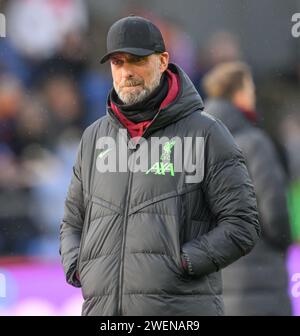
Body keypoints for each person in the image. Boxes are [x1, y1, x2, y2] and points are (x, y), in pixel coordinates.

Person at [59, 15, 260, 316]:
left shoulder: (207, 133)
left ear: (164, 60)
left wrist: (182, 262)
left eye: (137, 60)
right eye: (118, 62)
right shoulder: (93, 139)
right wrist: (78, 267)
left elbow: (242, 224)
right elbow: (72, 223)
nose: (126, 72)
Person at [203, 61, 292, 315]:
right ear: (238, 93)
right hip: (260, 278)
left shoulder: (196, 143)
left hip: (215, 282)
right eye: (250, 87)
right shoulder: (255, 143)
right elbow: (274, 212)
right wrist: (282, 244)